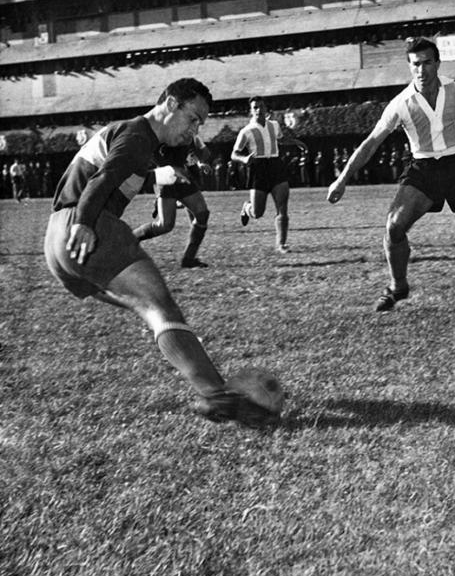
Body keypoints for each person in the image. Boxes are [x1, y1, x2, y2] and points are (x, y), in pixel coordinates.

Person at [44, 77, 273, 428]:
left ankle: (206, 378)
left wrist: (165, 171)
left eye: (201, 123)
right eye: (193, 118)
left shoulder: (142, 141)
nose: (195, 128)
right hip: (86, 227)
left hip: (55, 244)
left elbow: (134, 166)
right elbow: (102, 180)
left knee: (150, 311)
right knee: (161, 308)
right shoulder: (138, 136)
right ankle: (217, 395)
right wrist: (85, 223)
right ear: (170, 104)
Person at [327, 37, 455, 315]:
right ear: (409, 67)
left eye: (426, 63)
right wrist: (342, 179)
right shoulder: (401, 102)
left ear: (437, 63)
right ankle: (398, 286)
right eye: (415, 65)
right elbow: (371, 142)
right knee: (394, 227)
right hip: (423, 169)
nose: (421, 70)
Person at [133, 133, 213, 268]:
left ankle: (189, 258)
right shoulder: (161, 133)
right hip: (166, 180)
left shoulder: (189, 133)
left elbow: (197, 153)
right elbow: (145, 156)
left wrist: (201, 163)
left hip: (184, 178)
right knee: (165, 225)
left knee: (202, 214)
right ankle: (130, 239)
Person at [231, 96, 290, 254]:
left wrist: (298, 143)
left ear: (265, 108)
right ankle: (247, 208)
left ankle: (282, 244)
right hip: (258, 169)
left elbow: (281, 140)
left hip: (276, 166)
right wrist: (244, 159)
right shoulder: (246, 131)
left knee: (282, 208)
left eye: (261, 106)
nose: (258, 110)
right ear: (251, 111)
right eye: (255, 107)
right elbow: (234, 154)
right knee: (258, 213)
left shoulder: (275, 125)